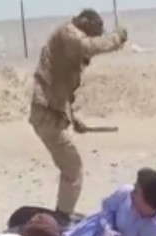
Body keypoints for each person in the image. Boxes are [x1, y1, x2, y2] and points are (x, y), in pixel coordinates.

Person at [29, 9, 127, 224]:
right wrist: (116, 38)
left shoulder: (68, 45)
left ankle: (63, 212)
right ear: (87, 25)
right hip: (47, 114)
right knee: (73, 168)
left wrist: (74, 119)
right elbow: (88, 46)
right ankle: (63, 216)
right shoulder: (69, 33)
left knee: (70, 166)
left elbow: (62, 87)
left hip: (50, 113)